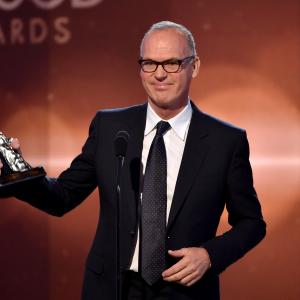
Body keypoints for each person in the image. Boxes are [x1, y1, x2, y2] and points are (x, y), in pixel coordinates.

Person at [0, 21, 266, 300]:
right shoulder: (110, 127)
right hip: (111, 289)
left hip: (184, 293)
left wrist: (210, 255)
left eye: (172, 63)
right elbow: (62, 196)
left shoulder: (225, 141)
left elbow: (252, 223)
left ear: (195, 66)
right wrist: (17, 172)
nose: (159, 74)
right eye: (149, 63)